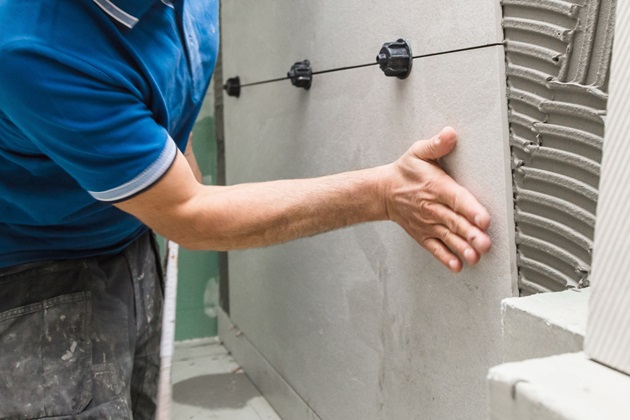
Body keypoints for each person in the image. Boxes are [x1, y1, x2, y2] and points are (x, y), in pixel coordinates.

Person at [0, 0, 492, 418]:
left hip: (126, 236)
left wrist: (167, 161)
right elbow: (188, 213)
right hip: (36, 269)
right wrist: (383, 194)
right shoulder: (32, 45)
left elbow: (158, 104)